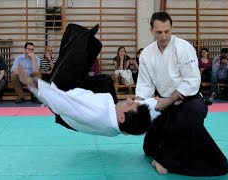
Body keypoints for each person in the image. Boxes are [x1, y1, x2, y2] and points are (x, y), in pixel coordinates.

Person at [17, 23, 155, 136]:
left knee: (74, 54)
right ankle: (88, 41)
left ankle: (83, 37)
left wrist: (30, 83)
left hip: (64, 91)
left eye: (130, 104)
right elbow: (150, 106)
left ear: (121, 117)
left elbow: (59, 101)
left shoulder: (94, 111)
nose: (130, 99)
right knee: (105, 81)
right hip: (81, 95)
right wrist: (167, 99)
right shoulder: (125, 126)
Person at [135, 11, 228, 176]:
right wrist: (138, 103)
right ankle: (162, 150)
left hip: (189, 100)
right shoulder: (146, 54)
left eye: (167, 31)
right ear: (151, 30)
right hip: (164, 102)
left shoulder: (183, 47)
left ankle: (163, 159)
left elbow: (192, 79)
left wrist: (170, 99)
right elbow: (145, 83)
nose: (163, 36)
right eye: (158, 32)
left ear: (171, 28)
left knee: (186, 120)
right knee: (149, 147)